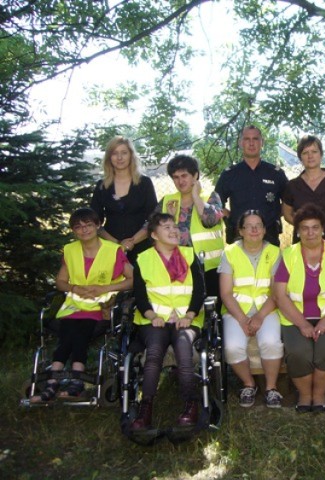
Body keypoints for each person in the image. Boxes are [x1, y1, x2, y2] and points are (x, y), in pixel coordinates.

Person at [30, 208, 133, 403]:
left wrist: (106, 288)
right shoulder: (70, 250)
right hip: (74, 305)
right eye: (78, 227)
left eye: (88, 225)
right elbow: (60, 282)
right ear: (73, 231)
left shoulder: (113, 250)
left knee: (79, 331)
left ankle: (68, 380)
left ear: (97, 226)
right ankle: (57, 382)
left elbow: (132, 280)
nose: (84, 230)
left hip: (101, 307)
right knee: (68, 331)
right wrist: (74, 288)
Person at [273, 203, 325, 412]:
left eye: (315, 227)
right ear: (298, 232)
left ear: (323, 229)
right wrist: (302, 324)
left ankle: (318, 395)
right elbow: (280, 295)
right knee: (299, 353)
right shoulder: (288, 254)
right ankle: (305, 395)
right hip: (296, 317)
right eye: (305, 228)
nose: (310, 232)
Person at [130, 213, 206, 430]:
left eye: (175, 227)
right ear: (154, 234)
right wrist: (152, 316)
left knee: (184, 348)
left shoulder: (190, 256)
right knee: (154, 352)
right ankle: (146, 409)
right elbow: (140, 295)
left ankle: (190, 406)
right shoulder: (143, 259)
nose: (174, 231)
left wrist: (189, 315)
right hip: (154, 321)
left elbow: (199, 291)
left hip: (187, 320)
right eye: (166, 227)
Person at [219, 210, 284, 408]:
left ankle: (271, 388)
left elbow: (277, 292)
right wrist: (241, 319)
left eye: (259, 225)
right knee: (232, 347)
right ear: (240, 230)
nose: (254, 229)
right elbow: (226, 293)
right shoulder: (229, 252)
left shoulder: (274, 252)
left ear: (265, 230)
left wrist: (259, 317)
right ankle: (249, 384)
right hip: (236, 311)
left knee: (271, 342)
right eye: (249, 226)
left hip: (267, 309)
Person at [157, 154, 225, 297]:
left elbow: (210, 220)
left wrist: (196, 197)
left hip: (209, 268)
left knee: (209, 312)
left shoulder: (210, 197)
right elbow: (153, 230)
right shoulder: (168, 201)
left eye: (184, 176)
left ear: (195, 176)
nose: (180, 181)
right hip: (176, 267)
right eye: (176, 177)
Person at [216, 125, 288, 246]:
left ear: (262, 142)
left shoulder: (276, 174)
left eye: (255, 139)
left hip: (269, 236)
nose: (251, 143)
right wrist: (231, 216)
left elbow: (289, 202)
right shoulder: (229, 174)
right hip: (239, 237)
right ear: (240, 143)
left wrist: (273, 214)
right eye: (246, 139)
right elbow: (216, 203)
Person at [90, 136, 157, 263]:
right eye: (115, 153)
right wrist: (117, 244)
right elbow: (94, 222)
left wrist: (131, 242)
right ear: (109, 157)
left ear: (131, 155)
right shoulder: (102, 186)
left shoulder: (144, 183)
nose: (119, 158)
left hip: (142, 246)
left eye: (124, 153)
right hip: (110, 247)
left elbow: (153, 219)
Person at [282, 135, 325, 244]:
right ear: (300, 157)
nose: (310, 156)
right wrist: (304, 227)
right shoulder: (293, 186)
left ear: (321, 154)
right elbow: (287, 215)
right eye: (305, 153)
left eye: (314, 151)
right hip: (302, 244)